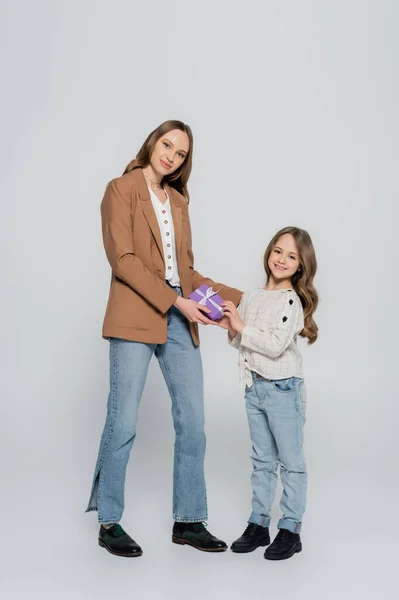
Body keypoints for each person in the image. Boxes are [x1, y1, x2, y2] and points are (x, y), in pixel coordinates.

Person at [86, 120, 242, 557]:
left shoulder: (177, 200)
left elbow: (186, 274)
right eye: (167, 144)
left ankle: (189, 521)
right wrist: (176, 302)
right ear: (152, 142)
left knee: (193, 423)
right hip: (138, 314)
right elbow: (124, 260)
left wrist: (242, 303)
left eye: (180, 153)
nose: (171, 155)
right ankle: (109, 521)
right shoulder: (120, 189)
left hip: (179, 318)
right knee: (124, 422)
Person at [218, 227, 318, 560]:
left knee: (291, 462)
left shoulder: (292, 300)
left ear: (301, 265)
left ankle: (290, 528)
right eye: (278, 251)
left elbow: (274, 345)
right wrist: (230, 326)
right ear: (269, 252)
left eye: (292, 256)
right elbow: (241, 342)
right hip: (254, 387)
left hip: (283, 388)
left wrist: (243, 328)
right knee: (261, 460)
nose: (282, 259)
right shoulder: (251, 296)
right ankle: (259, 524)